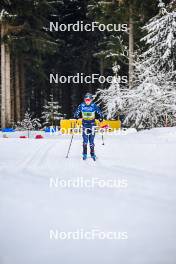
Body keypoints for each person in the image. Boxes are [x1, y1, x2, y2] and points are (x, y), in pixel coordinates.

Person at [74, 93, 103, 160]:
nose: (87, 101)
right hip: (85, 124)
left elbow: (99, 112)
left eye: (89, 100)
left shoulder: (94, 105)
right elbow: (76, 112)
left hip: (92, 124)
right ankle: (84, 153)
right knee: (85, 140)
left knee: (91, 140)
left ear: (91, 100)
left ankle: (92, 154)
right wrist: (76, 116)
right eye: (86, 100)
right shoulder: (81, 105)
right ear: (84, 100)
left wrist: (101, 117)